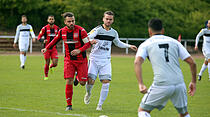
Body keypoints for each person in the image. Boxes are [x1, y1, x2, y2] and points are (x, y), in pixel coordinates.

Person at [134, 18, 196, 117]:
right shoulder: (175, 42)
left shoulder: (146, 44)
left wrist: (140, 84)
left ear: (149, 30)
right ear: (163, 30)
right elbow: (192, 63)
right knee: (184, 114)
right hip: (179, 83)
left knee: (143, 110)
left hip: (161, 83)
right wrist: (193, 82)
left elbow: (137, 62)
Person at [41, 12, 96, 111]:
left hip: (81, 60)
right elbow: (54, 41)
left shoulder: (81, 31)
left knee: (83, 82)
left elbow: (87, 44)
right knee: (68, 81)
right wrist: (46, 48)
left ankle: (78, 78)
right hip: (69, 60)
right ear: (65, 22)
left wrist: (79, 50)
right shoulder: (62, 31)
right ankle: (69, 105)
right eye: (69, 21)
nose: (71, 23)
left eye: (73, 21)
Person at [83, 11, 137, 111]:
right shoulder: (97, 29)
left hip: (106, 61)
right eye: (107, 19)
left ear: (113, 20)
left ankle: (99, 105)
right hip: (94, 59)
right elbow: (85, 37)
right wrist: (90, 41)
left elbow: (118, 43)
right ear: (103, 19)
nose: (108, 21)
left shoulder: (114, 32)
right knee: (91, 81)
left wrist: (129, 46)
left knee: (106, 82)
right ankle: (88, 93)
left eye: (110, 19)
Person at [37, 15, 60, 80]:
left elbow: (60, 36)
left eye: (52, 19)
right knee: (47, 62)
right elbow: (38, 37)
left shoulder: (57, 28)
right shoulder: (44, 28)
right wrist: (43, 40)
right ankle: (46, 75)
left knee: (55, 63)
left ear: (54, 20)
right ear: (47, 20)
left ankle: (51, 66)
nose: (51, 20)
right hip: (46, 49)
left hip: (54, 48)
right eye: (50, 19)